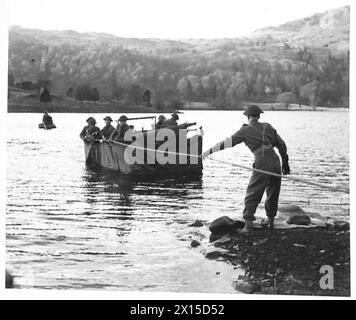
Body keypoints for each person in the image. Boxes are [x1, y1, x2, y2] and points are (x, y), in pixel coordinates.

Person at [202, 105, 290, 234]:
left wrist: (208, 152)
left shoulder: (245, 130)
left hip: (262, 162)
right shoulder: (268, 127)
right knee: (273, 192)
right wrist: (285, 164)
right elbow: (282, 145)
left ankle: (248, 226)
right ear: (259, 116)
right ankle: (270, 221)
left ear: (247, 116)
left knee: (253, 193)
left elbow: (227, 142)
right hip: (276, 162)